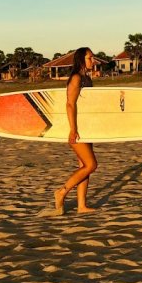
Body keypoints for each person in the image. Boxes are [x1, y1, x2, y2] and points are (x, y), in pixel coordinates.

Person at [53, 47, 98, 214]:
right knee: (91, 165)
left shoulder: (87, 78)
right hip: (76, 128)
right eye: (90, 58)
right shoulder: (76, 78)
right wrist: (73, 129)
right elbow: (70, 104)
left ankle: (81, 206)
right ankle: (62, 192)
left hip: (86, 127)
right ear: (81, 60)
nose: (93, 61)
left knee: (83, 165)